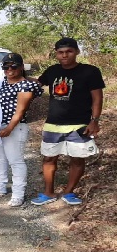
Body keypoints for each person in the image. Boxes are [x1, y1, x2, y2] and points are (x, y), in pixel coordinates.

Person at [31, 37, 105, 206]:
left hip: (80, 124)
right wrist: (17, 78)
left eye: (69, 51)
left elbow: (97, 99)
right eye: (61, 52)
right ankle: (48, 192)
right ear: (56, 54)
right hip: (53, 123)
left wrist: (95, 120)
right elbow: (37, 84)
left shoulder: (90, 71)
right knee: (49, 158)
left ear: (77, 52)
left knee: (78, 159)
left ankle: (69, 192)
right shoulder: (52, 71)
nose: (65, 55)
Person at [0, 53, 43, 207]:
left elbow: (20, 111)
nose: (9, 69)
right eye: (6, 66)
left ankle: (18, 194)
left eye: (13, 66)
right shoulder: (0, 83)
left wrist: (9, 128)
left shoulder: (26, 85)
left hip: (15, 127)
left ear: (21, 67)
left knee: (15, 161)